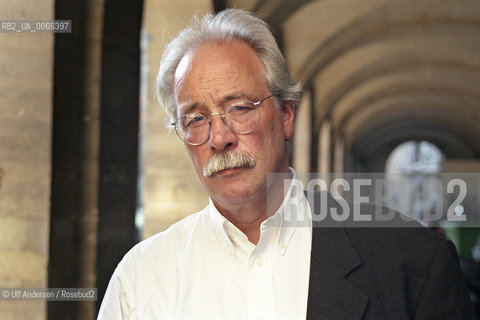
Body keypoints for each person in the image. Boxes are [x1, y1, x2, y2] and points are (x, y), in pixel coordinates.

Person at [98, 9, 474, 319]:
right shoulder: (140, 279)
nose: (219, 138)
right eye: (195, 119)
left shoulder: (412, 262)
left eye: (239, 108)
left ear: (287, 114)